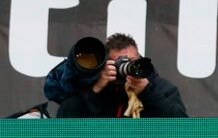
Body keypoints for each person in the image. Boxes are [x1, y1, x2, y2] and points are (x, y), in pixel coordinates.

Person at [56, 33, 188, 118]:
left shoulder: (160, 88)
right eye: (119, 63)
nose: (127, 67)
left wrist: (147, 91)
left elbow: (181, 126)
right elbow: (66, 121)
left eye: (132, 61)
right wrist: (96, 90)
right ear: (107, 64)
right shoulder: (96, 87)